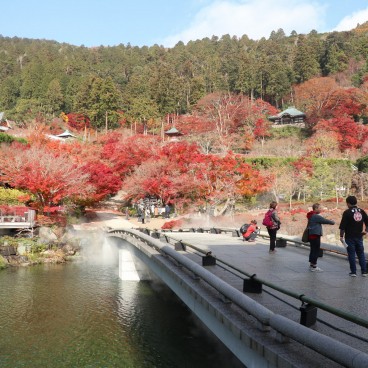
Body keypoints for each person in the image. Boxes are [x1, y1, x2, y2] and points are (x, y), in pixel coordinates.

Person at [339, 195, 368, 277]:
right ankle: (364, 271)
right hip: (359, 236)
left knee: (351, 254)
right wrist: (366, 230)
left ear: (348, 203)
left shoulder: (347, 212)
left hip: (350, 237)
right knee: (361, 254)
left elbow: (342, 226)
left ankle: (353, 272)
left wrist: (341, 236)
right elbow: (367, 221)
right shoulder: (361, 211)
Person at [306, 203, 335, 272]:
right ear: (315, 208)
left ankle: (311, 265)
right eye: (320, 208)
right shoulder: (315, 216)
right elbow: (325, 221)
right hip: (315, 235)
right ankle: (314, 266)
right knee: (315, 251)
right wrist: (333, 222)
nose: (321, 209)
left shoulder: (311, 215)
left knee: (313, 250)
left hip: (311, 235)